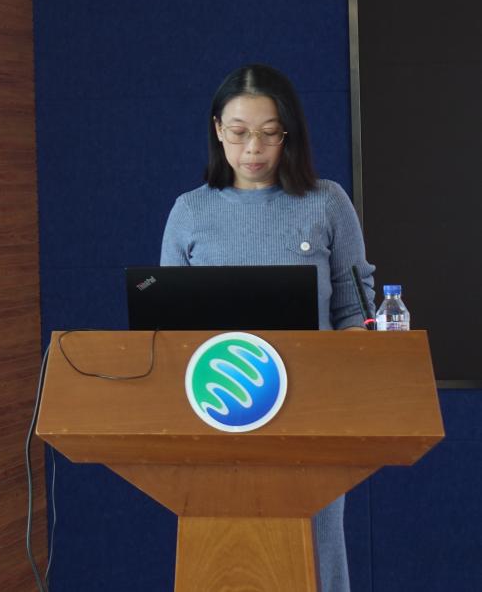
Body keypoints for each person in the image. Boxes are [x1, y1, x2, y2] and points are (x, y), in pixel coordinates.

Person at [160, 63, 374, 592]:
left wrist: (340, 369)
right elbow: (165, 329)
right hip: (217, 413)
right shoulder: (189, 211)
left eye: (269, 133)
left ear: (289, 134)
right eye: (238, 132)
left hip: (310, 417)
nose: (253, 148)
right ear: (217, 130)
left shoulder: (327, 202)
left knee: (314, 554)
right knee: (223, 555)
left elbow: (357, 312)